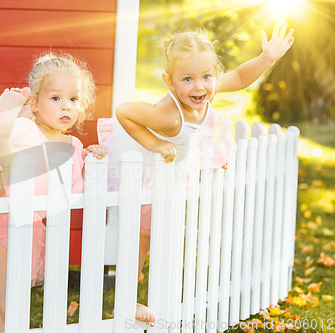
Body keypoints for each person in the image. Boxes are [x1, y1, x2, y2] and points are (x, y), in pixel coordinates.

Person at [98, 22, 295, 324]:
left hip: (174, 175)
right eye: (187, 79)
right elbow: (124, 112)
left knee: (160, 237)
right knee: (141, 238)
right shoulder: (168, 115)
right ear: (169, 81)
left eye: (206, 76)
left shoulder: (204, 91)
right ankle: (125, 303)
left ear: (214, 74)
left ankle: (146, 295)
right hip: (151, 178)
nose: (199, 86)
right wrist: (156, 142)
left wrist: (267, 57)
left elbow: (241, 76)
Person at [0, 53, 108, 333]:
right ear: (35, 104)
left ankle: (0, 140)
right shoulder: (26, 127)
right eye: (56, 98)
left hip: (27, 221)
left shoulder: (73, 145)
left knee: (14, 304)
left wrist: (92, 159)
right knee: (10, 303)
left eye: (73, 99)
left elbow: (75, 188)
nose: (66, 107)